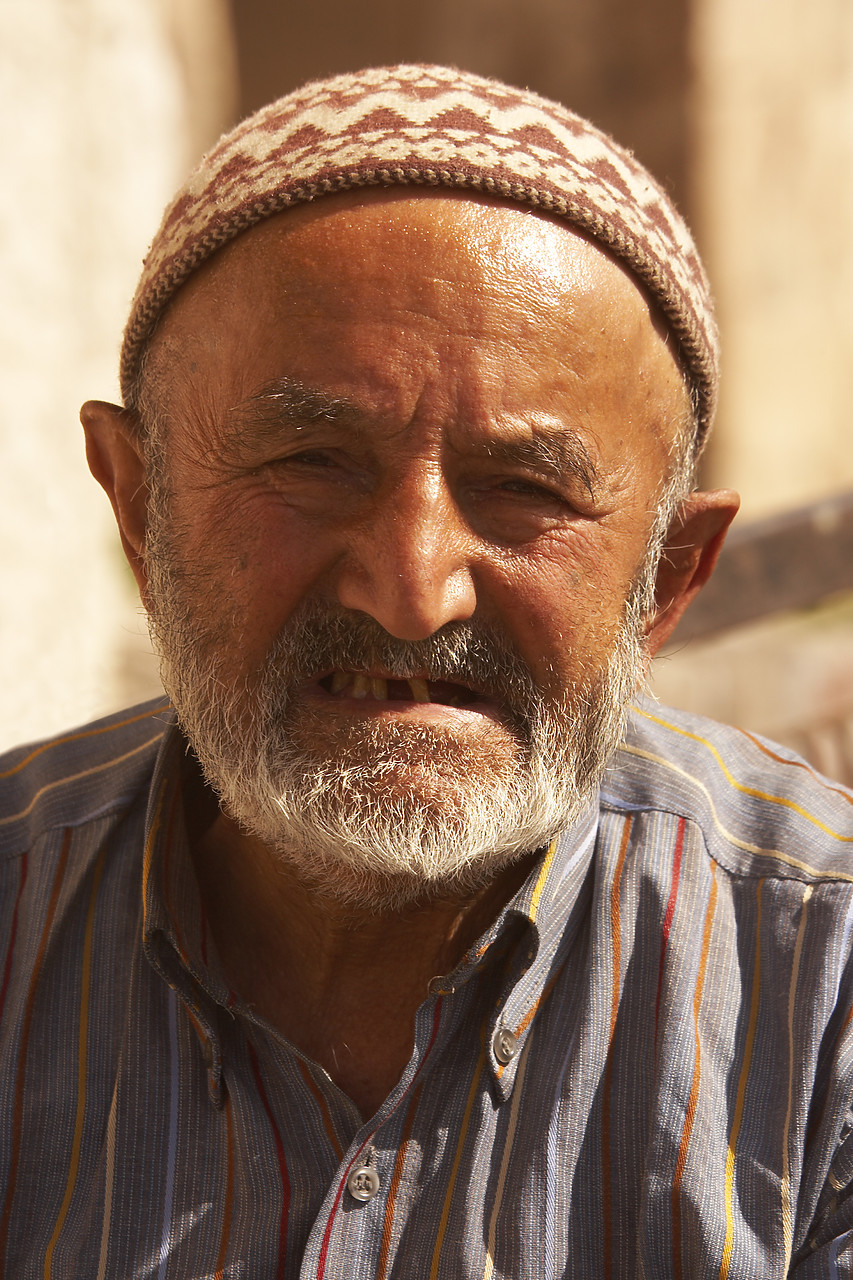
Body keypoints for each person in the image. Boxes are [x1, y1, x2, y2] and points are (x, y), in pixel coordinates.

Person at [1, 63, 851, 1279]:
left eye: (527, 491)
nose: (412, 587)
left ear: (665, 579)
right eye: (313, 460)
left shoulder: (824, 982)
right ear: (140, 506)